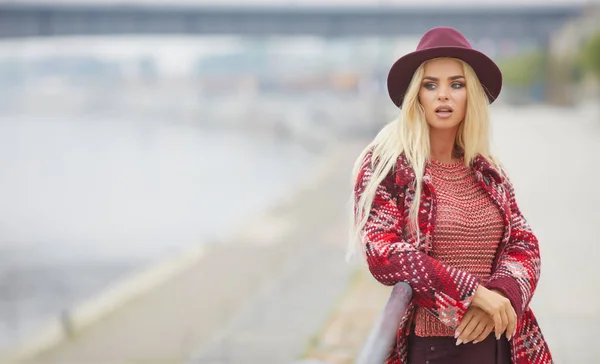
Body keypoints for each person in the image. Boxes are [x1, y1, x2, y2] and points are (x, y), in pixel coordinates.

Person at [348, 27, 553, 363]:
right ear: (417, 95)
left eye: (456, 84)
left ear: (470, 94)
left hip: (503, 344)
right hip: (434, 350)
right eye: (431, 85)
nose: (443, 95)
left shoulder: (488, 171)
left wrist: (502, 294)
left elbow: (524, 244)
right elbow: (381, 251)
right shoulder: (388, 167)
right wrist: (473, 295)